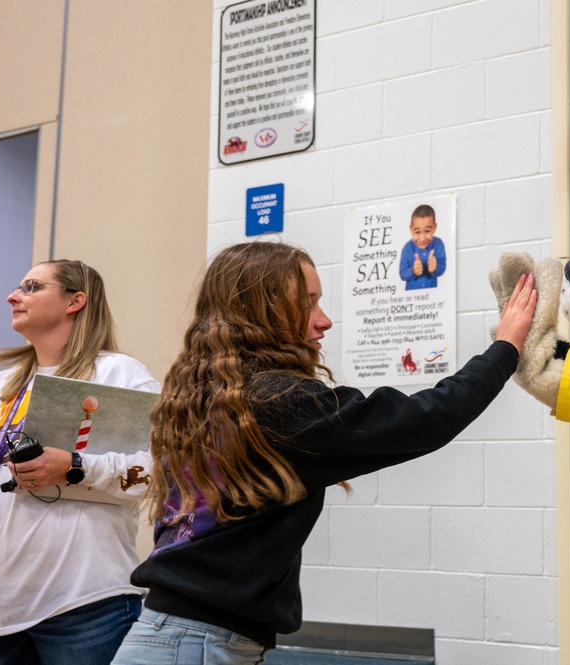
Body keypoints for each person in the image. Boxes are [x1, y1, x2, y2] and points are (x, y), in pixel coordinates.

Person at [110, 241, 536, 665]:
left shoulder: (208, 394)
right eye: (307, 303)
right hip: (196, 643)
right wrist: (505, 348)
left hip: (176, 632)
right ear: (262, 311)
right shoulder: (276, 401)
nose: (324, 320)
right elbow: (424, 419)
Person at [0, 260, 160, 665]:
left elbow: (159, 469)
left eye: (31, 287)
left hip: (82, 602)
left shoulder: (117, 372)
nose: (14, 296)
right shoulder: (0, 386)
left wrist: (74, 465)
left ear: (75, 301)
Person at [398, 204, 446, 289]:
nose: (422, 238)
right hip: (412, 297)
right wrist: (413, 271)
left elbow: (442, 267)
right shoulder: (406, 249)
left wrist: (435, 268)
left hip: (432, 296)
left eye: (427, 231)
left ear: (435, 228)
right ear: (411, 230)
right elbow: (402, 274)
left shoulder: (438, 244)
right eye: (417, 232)